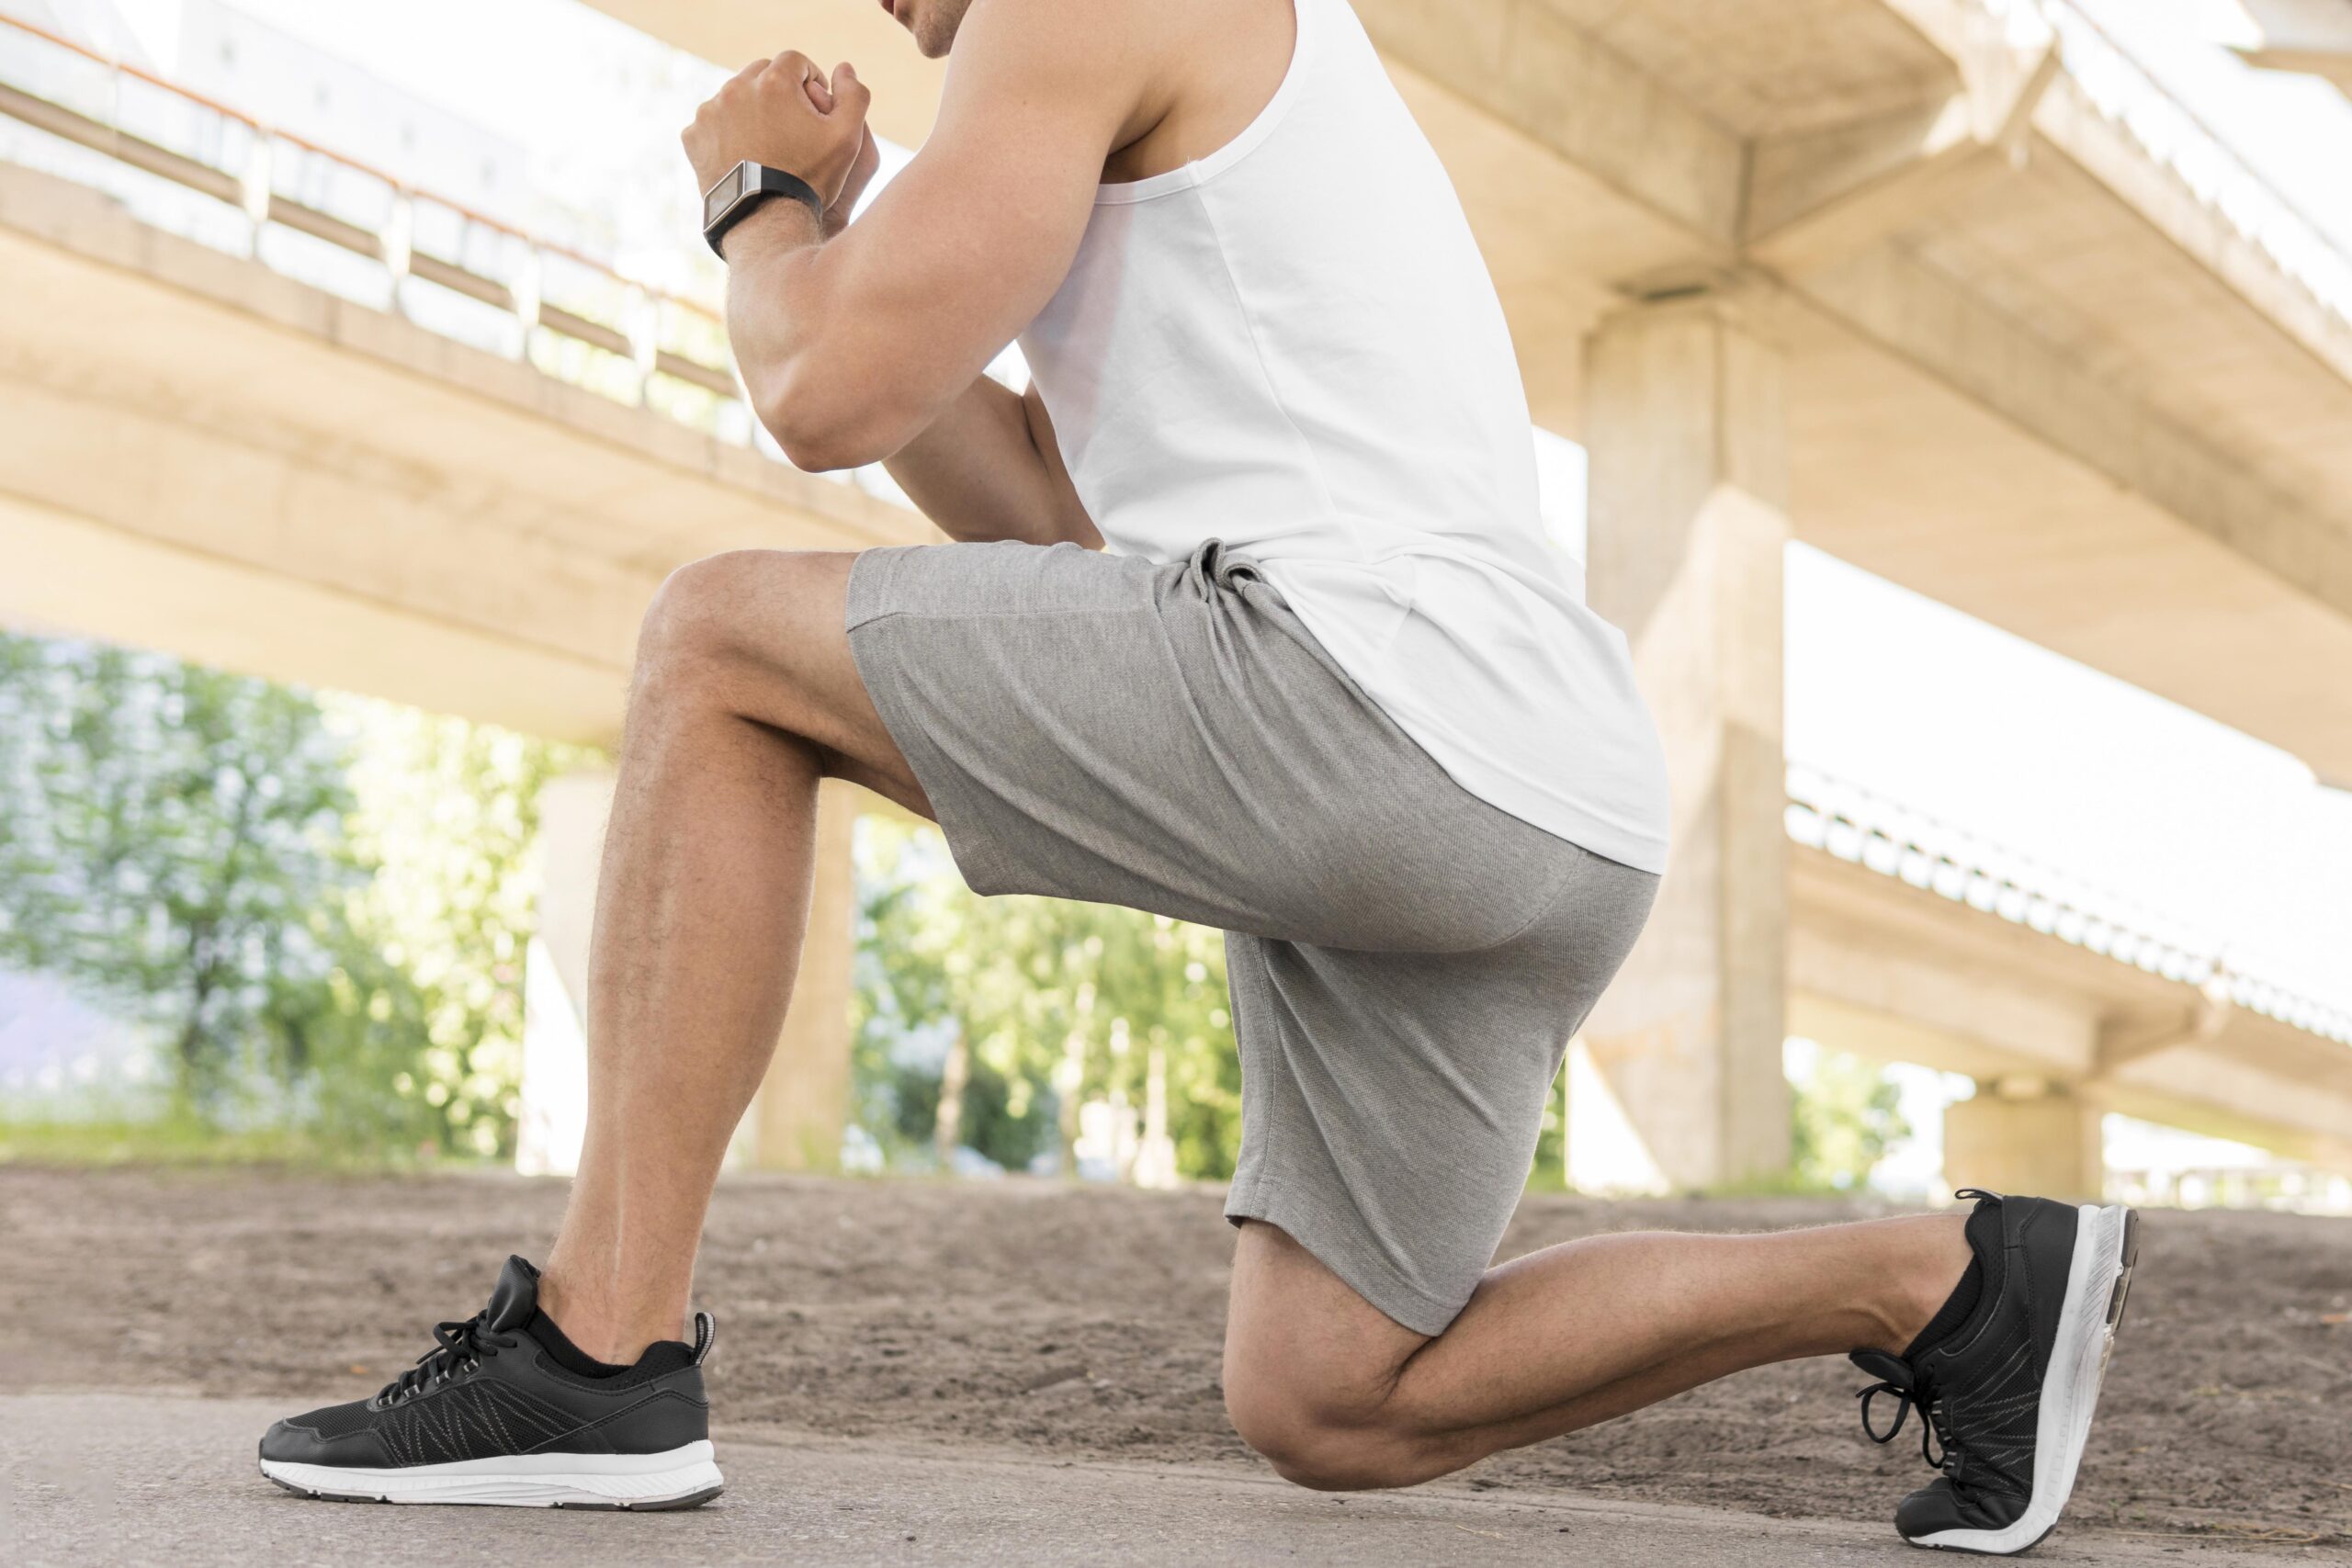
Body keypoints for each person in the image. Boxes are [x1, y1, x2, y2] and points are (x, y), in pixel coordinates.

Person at [256, 0, 2138, 1550]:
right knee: (1333, 1386)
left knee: (713, 643)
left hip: (1374, 703)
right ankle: (1942, 1278)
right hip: (1535, 789)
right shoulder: (1212, 76)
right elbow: (1081, 545)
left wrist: (760, 202)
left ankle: (599, 1350)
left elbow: (817, 390)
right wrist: (860, 254)